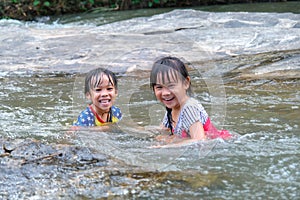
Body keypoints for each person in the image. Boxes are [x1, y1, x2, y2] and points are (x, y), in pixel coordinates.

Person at [150, 56, 231, 147]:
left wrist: (166, 146)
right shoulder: (172, 109)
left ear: (186, 83)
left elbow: (200, 140)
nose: (165, 93)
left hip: (222, 145)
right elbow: (163, 130)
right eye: (159, 87)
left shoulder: (190, 108)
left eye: (171, 86)